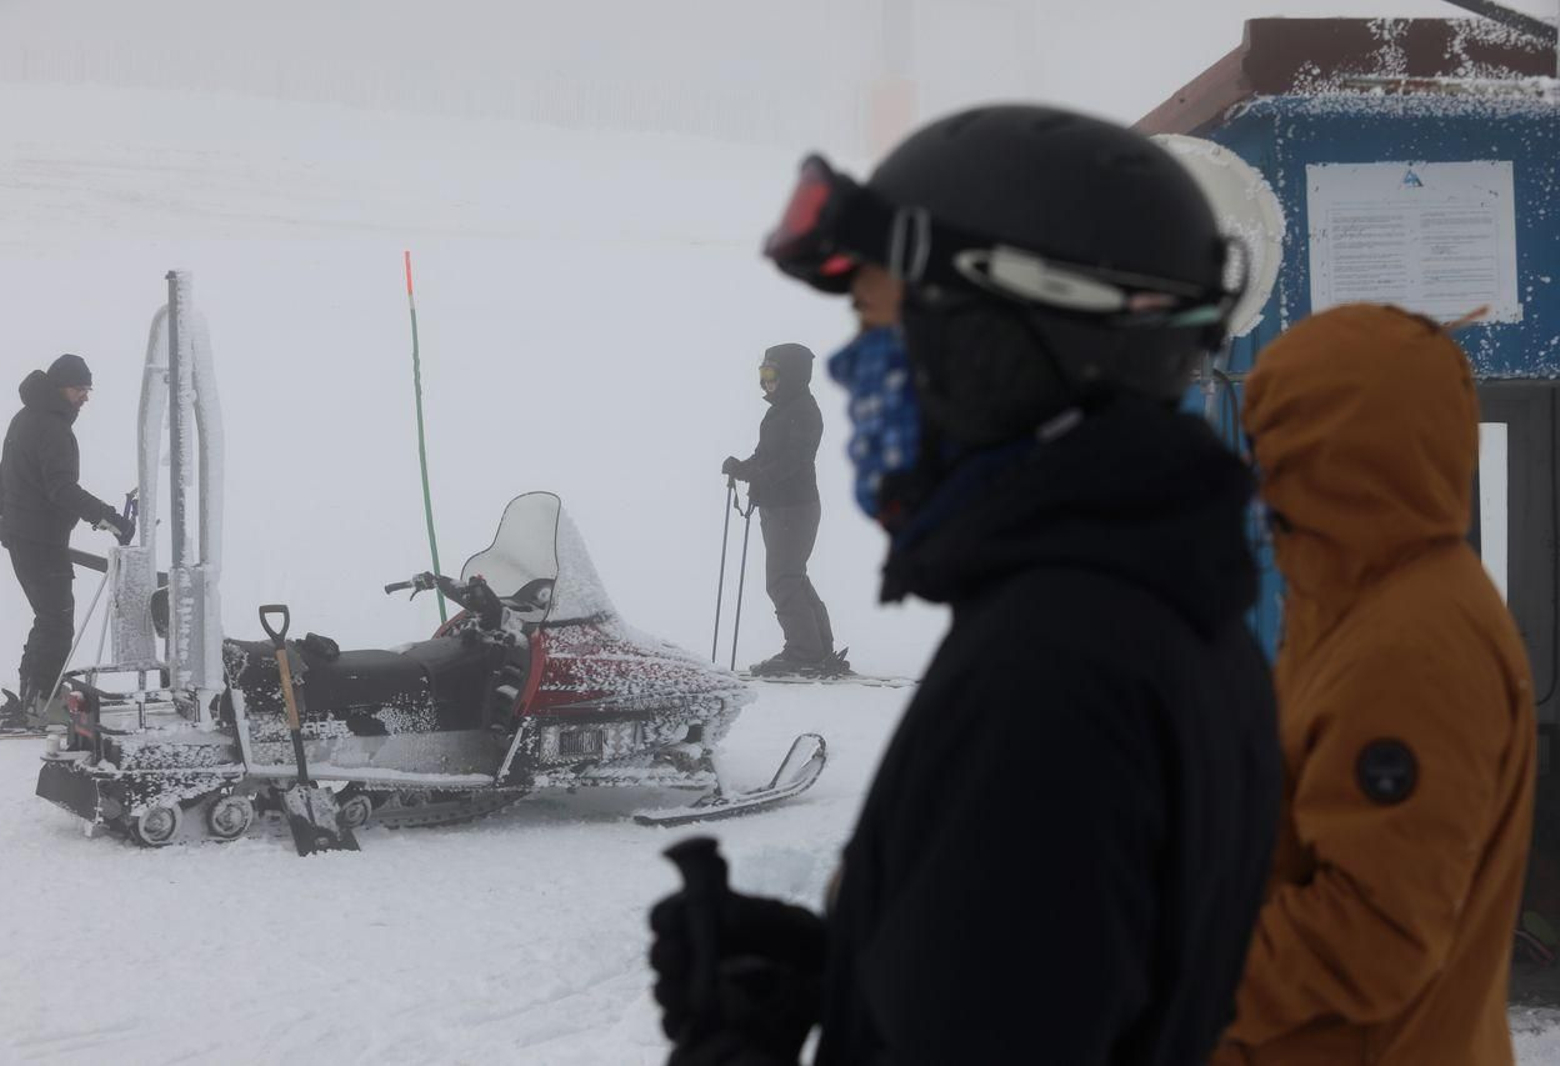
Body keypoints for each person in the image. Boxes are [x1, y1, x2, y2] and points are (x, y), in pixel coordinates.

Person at [649, 104, 1281, 1064]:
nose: (864, 372)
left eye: (884, 326)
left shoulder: (1051, 674)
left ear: (997, 345)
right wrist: (848, 970)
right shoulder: (1157, 607)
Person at [1210, 305, 1536, 1066]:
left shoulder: (1416, 645)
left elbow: (1373, 933)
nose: (1261, 485)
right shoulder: (1350, 601)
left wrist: (1175, 980)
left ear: (1341, 456)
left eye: (1278, 451)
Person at [0, 353, 134, 732]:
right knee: (57, 621)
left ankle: (35, 692)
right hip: (39, 539)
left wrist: (6, 514)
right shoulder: (51, 426)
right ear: (58, 387)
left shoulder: (27, 418)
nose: (84, 397)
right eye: (78, 389)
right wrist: (109, 518)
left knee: (48, 616)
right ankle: (44, 702)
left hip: (26, 536)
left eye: (88, 389)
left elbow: (0, 474)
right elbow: (61, 488)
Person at [722, 343, 846, 677]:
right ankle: (817, 649)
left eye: (771, 373)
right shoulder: (782, 408)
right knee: (792, 575)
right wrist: (742, 468)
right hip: (782, 507)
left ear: (789, 374)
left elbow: (795, 459)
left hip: (794, 507)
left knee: (781, 579)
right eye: (762, 373)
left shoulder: (803, 410)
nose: (765, 381)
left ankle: (804, 652)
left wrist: (757, 475)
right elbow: (766, 457)